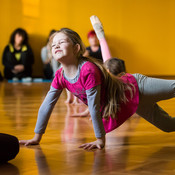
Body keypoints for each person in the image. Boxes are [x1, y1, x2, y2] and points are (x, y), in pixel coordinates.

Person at [19, 26, 175, 151]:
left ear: (76, 48)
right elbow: (47, 105)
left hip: (138, 87)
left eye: (62, 42)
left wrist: (100, 140)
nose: (56, 45)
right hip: (132, 103)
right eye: (53, 44)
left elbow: (94, 107)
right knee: (169, 126)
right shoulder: (60, 76)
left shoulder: (87, 69)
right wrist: (36, 137)